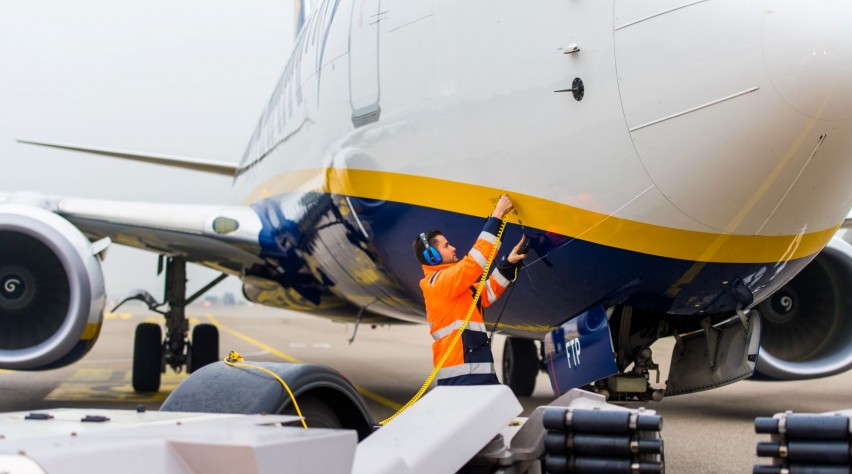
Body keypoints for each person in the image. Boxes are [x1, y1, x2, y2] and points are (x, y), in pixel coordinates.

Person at [412, 195, 528, 386]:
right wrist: (497, 215)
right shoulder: (440, 282)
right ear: (432, 256)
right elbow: (474, 262)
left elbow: (487, 292)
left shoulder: (453, 285)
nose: (454, 248)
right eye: (447, 246)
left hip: (474, 368)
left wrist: (508, 264)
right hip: (463, 373)